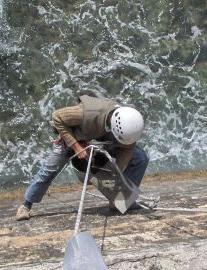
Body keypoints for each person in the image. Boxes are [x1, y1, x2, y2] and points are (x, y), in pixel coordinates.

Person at [15, 94, 149, 221]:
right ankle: (26, 205)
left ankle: (121, 201)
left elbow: (126, 152)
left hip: (103, 137)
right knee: (50, 169)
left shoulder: (129, 128)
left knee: (140, 158)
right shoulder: (89, 113)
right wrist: (77, 147)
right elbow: (57, 117)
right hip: (74, 136)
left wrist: (114, 177)